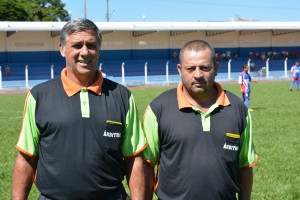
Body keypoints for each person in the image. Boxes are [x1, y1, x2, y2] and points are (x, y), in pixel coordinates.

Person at [12, 18, 150, 200]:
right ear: (62, 49)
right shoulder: (39, 96)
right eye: (77, 45)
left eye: (91, 45)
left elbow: (134, 158)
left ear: (99, 49)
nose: (85, 52)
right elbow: (27, 157)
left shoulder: (122, 96)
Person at [142, 40, 258, 200]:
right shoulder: (158, 108)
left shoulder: (238, 109)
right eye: (190, 68)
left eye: (205, 67)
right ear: (180, 70)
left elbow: (245, 166)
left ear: (216, 68)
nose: (198, 74)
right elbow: (147, 164)